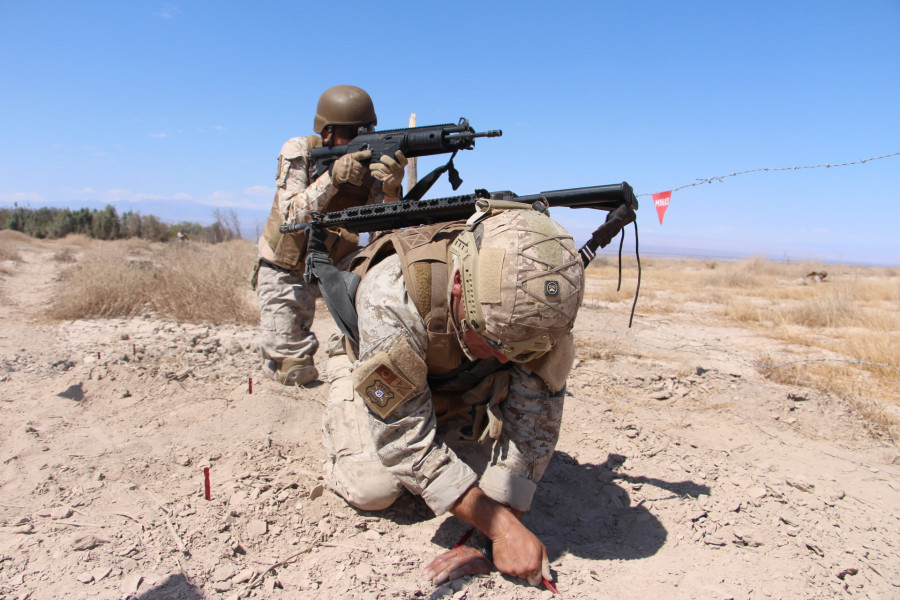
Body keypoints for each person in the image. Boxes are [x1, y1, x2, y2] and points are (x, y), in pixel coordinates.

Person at [321, 200, 585, 587]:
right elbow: (403, 439)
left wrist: (497, 530)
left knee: (484, 480)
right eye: (493, 341)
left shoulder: (539, 316)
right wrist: (498, 526)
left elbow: (533, 426)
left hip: (454, 380)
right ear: (459, 287)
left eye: (519, 352)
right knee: (374, 487)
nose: (502, 358)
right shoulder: (391, 296)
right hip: (379, 361)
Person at [254, 85, 407, 386]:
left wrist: (391, 190)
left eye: (366, 133)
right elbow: (291, 216)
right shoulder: (301, 150)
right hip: (287, 269)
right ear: (327, 134)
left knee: (360, 348)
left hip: (336, 264)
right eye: (350, 135)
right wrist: (332, 178)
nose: (359, 144)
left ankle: (349, 360)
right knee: (293, 371)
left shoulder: (374, 164)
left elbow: (384, 235)